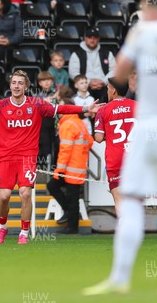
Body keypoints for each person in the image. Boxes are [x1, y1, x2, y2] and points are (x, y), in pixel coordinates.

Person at [83, 0, 157, 296]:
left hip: (151, 125)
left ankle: (120, 279)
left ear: (150, 11)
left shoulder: (144, 33)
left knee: (132, 201)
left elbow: (121, 75)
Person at [0, 70, 103, 244]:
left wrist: (86, 108)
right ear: (10, 86)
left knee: (25, 194)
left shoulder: (36, 105)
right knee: (4, 196)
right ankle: (2, 228)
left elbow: (61, 108)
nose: (16, 86)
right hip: (6, 157)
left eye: (20, 83)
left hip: (27, 157)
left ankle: (24, 233)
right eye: (14, 83)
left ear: (26, 87)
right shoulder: (1, 105)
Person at [47, 96, 93, 234]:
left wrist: (59, 169)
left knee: (58, 190)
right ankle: (70, 217)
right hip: (78, 166)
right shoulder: (79, 123)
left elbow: (65, 149)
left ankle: (72, 227)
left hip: (69, 167)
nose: (59, 109)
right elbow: (89, 142)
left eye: (61, 106)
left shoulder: (67, 124)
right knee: (71, 196)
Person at [93, 78, 135, 215]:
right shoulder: (138, 106)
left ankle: (124, 230)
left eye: (108, 89)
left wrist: (109, 134)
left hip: (115, 159)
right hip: (135, 157)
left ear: (114, 90)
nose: (107, 91)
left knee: (119, 200)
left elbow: (98, 138)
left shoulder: (103, 110)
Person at [68, 26, 117, 101]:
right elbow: (73, 73)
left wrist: (104, 82)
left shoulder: (107, 53)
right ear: (85, 38)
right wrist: (88, 82)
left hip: (105, 86)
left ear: (98, 39)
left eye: (95, 37)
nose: (92, 39)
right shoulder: (77, 54)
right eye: (89, 37)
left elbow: (114, 70)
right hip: (85, 86)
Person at [35, 71, 57, 169]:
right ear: (40, 83)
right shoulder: (37, 96)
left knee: (55, 147)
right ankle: (42, 167)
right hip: (42, 125)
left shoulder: (57, 95)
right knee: (44, 146)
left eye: (48, 80)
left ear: (52, 81)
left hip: (55, 124)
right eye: (44, 80)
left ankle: (52, 167)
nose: (47, 82)